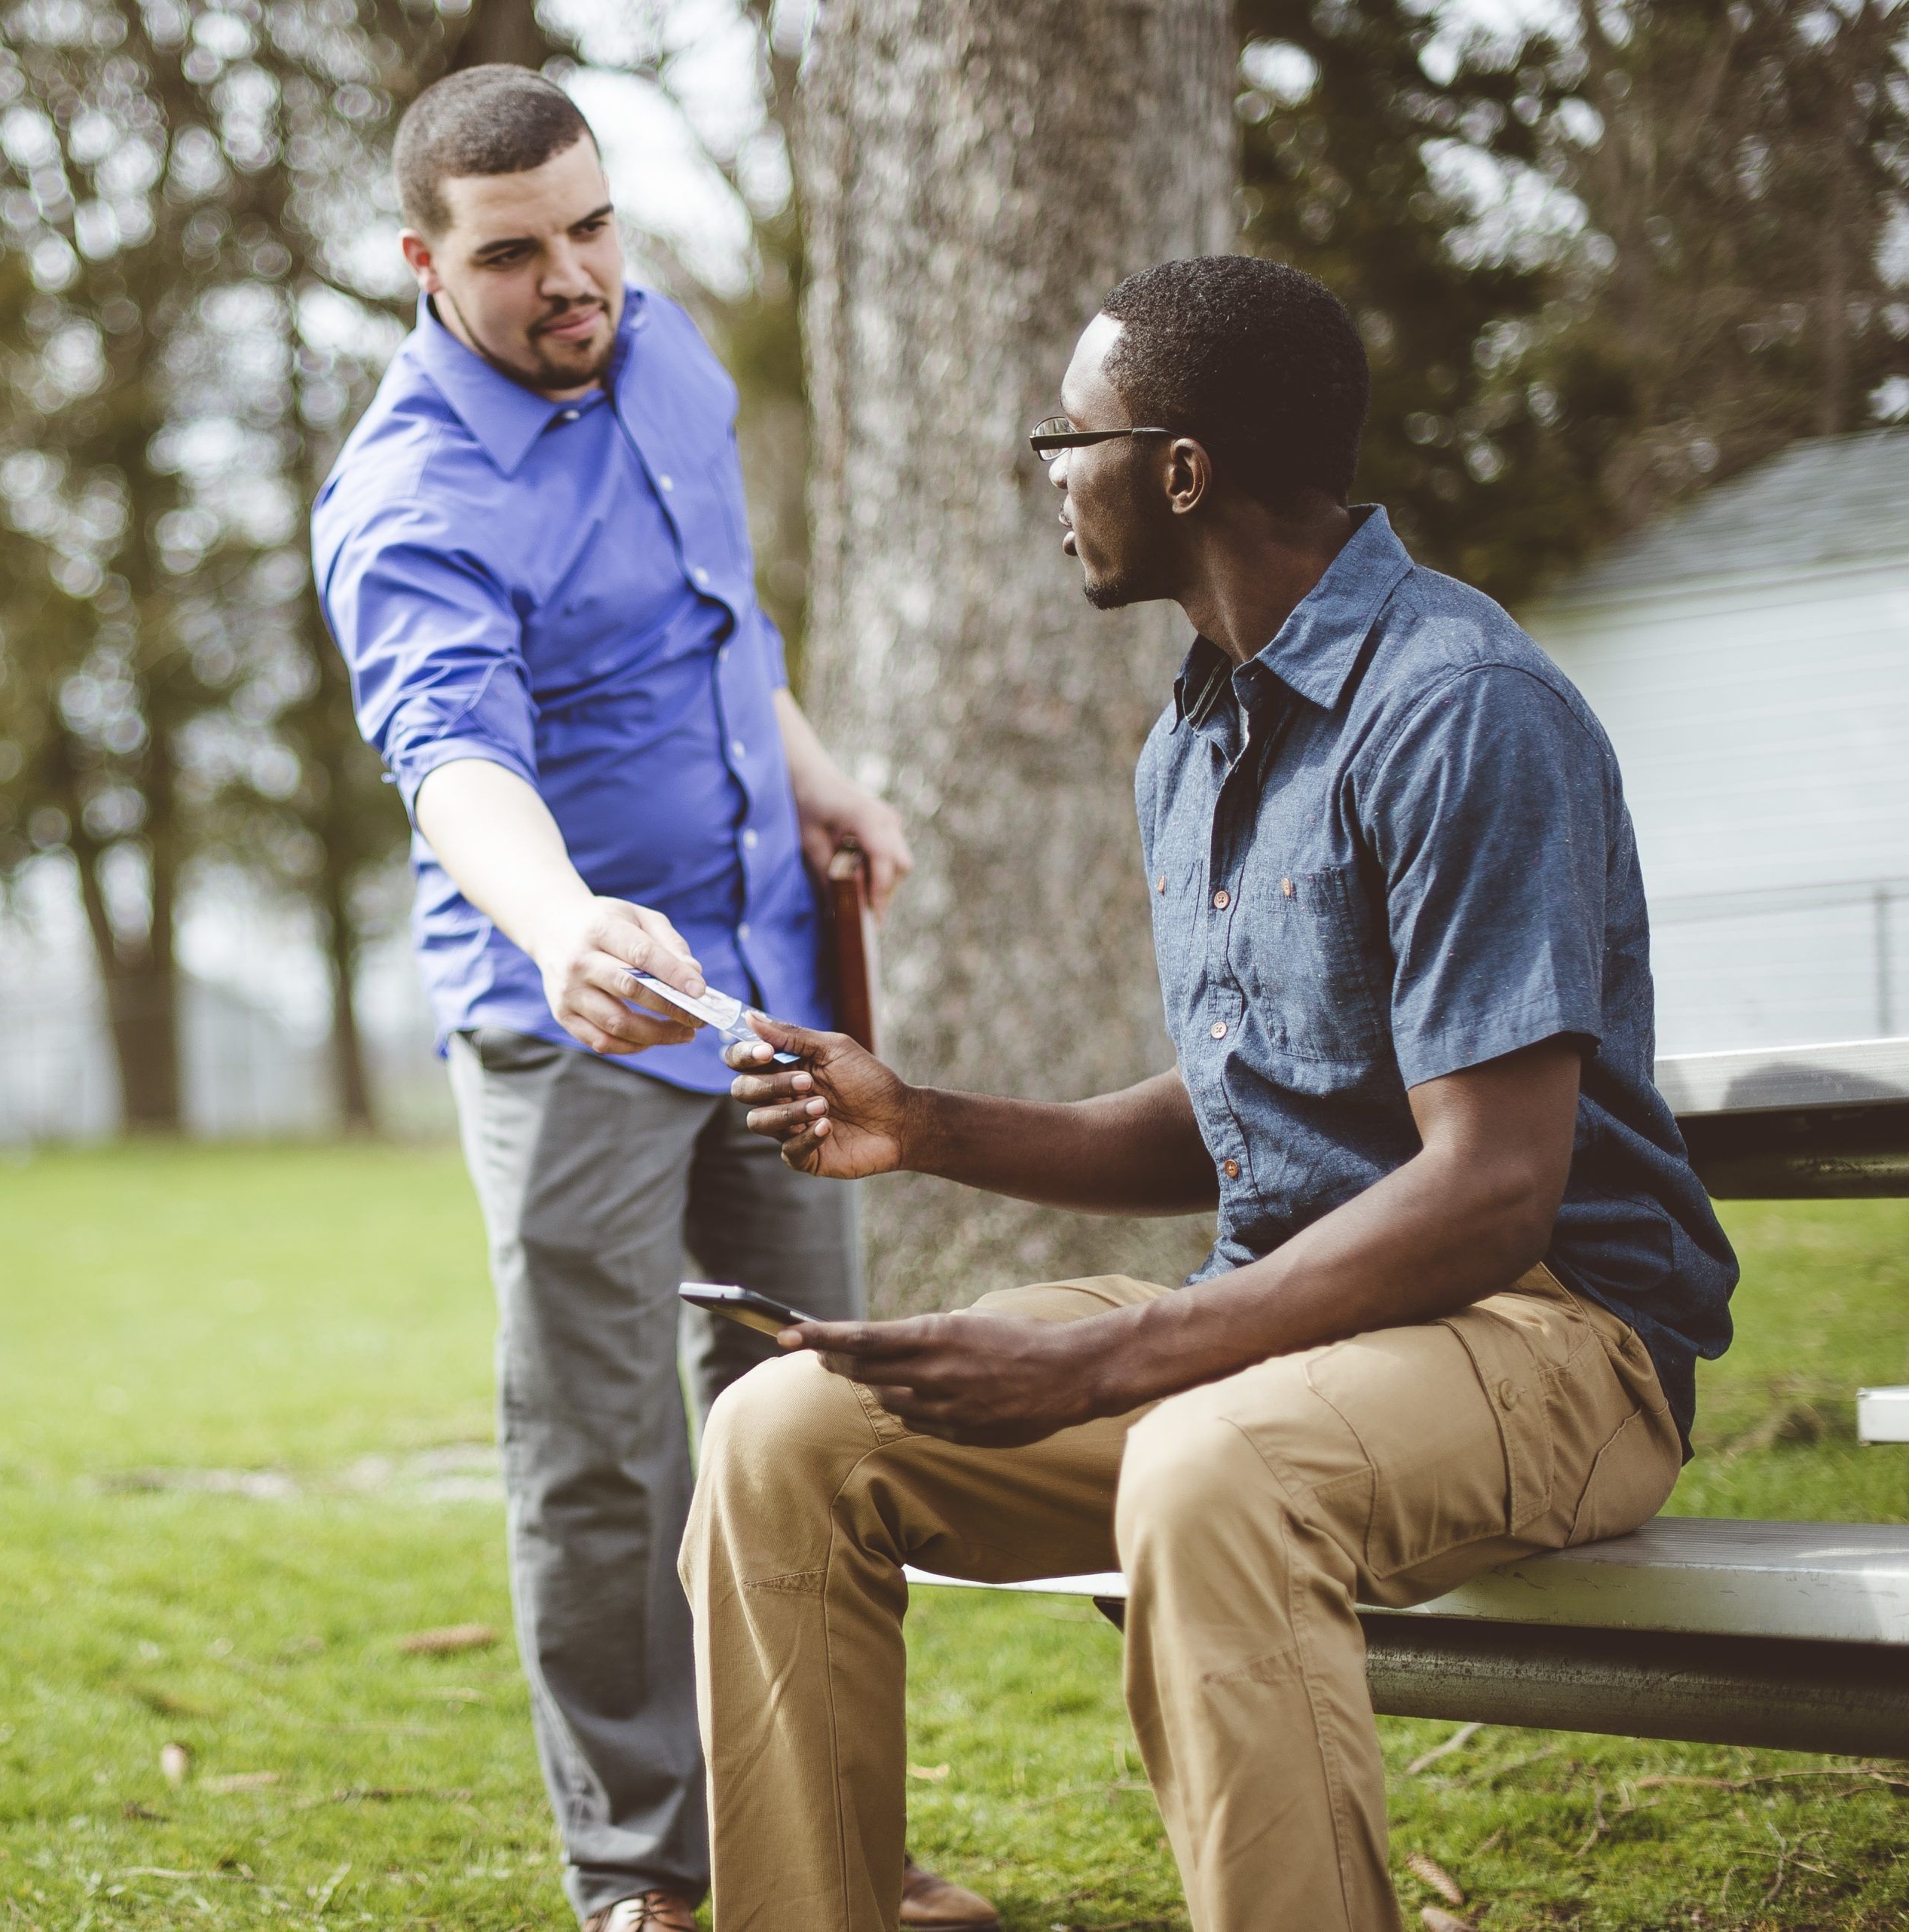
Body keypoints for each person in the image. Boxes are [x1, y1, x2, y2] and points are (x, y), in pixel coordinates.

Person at [683, 254, 1739, 1932]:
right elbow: (1249, 1102)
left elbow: (1489, 1189)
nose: (1049, 477)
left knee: (1204, 1466)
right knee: (782, 1433)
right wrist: (929, 1123)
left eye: (1069, 437)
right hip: (1290, 1326)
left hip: (1552, 1339)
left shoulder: (1462, 708)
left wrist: (1103, 1355)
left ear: (1179, 470)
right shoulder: (1196, 738)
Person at [310, 64, 956, 1932]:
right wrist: (561, 920)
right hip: (569, 1013)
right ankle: (649, 1873)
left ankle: (828, 1848)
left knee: (815, 1421)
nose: (572, 278)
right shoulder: (408, 495)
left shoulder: (660, 356)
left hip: (763, 991)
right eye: (515, 254)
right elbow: (452, 757)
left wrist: (813, 765)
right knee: (605, 1451)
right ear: (425, 261)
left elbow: (714, 616)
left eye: (592, 228)